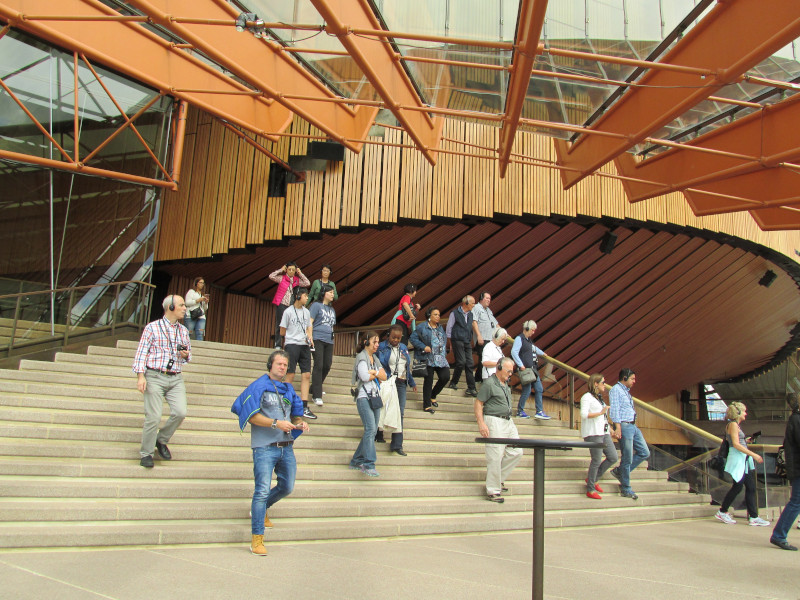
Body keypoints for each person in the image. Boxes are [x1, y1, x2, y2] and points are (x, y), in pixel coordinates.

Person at [230, 350, 310, 556]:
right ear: (270, 365)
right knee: (261, 490)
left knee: (287, 486)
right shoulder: (258, 386)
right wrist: (275, 423)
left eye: (285, 365)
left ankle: (261, 509)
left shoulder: (288, 389)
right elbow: (251, 416)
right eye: (279, 364)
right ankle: (257, 538)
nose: (283, 367)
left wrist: (300, 424)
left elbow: (296, 416)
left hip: (286, 447)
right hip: (264, 448)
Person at [132, 295, 191, 468]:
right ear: (170, 307)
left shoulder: (184, 331)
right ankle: (146, 453)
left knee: (180, 412)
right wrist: (140, 376)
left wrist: (186, 355)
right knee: (154, 416)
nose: (184, 308)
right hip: (155, 376)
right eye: (181, 305)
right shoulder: (152, 328)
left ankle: (161, 439)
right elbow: (141, 353)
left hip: (175, 377)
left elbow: (189, 355)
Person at [474, 357, 523, 503]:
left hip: (508, 421)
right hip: (494, 420)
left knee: (517, 451)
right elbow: (478, 403)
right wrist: (481, 423)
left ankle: (498, 478)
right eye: (508, 371)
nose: (510, 374)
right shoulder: (489, 383)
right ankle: (493, 490)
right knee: (495, 455)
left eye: (511, 372)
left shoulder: (505, 384)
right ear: (499, 368)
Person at [714, 401, 770, 526]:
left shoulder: (735, 425)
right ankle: (722, 511)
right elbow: (735, 444)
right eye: (744, 411)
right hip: (738, 459)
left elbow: (738, 441)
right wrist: (753, 454)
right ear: (738, 413)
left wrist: (746, 440)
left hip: (742, 459)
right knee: (738, 486)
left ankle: (753, 517)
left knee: (750, 487)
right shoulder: (733, 424)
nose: (746, 413)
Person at [349, 331, 387, 477]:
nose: (377, 345)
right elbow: (364, 376)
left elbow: (384, 376)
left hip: (375, 396)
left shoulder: (374, 358)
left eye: (378, 342)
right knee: (371, 428)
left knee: (371, 430)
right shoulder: (362, 357)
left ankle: (356, 460)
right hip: (364, 397)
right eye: (374, 342)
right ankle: (369, 463)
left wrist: (374, 373)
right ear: (366, 342)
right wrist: (375, 373)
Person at [376, 324, 417, 455]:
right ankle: (378, 433)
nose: (396, 340)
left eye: (399, 338)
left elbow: (406, 367)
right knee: (383, 407)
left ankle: (397, 444)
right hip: (388, 381)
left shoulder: (404, 348)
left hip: (401, 383)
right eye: (393, 337)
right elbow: (376, 362)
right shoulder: (382, 347)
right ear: (388, 336)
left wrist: (412, 382)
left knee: (400, 412)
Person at [609, 368, 649, 499]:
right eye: (632, 378)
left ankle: (620, 472)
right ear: (624, 378)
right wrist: (617, 427)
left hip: (633, 425)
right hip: (624, 425)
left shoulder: (626, 392)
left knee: (645, 452)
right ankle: (626, 487)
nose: (634, 381)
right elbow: (614, 410)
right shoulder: (616, 390)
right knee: (627, 458)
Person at [580, 374, 618, 500]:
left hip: (604, 432)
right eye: (602, 382)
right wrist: (600, 413)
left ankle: (594, 478)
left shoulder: (599, 398)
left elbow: (603, 417)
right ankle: (590, 488)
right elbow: (584, 414)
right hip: (593, 432)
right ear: (595, 383)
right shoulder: (587, 397)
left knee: (613, 457)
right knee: (596, 459)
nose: (604, 385)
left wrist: (611, 429)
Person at [280, 287, 316, 420]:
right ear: (297, 296)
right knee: (290, 373)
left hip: (304, 345)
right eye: (305, 295)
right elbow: (282, 331)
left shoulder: (307, 312)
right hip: (291, 344)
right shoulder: (288, 312)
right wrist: (293, 334)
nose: (307, 298)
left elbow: (309, 327)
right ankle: (286, 402)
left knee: (306, 374)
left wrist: (310, 337)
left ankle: (304, 405)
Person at [770, 393, 800, 550]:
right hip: (798, 468)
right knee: (796, 502)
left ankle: (779, 534)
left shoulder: (795, 419)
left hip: (796, 467)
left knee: (796, 501)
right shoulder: (797, 419)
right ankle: (779, 535)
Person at [410, 307, 450, 414]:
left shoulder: (440, 328)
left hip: (440, 358)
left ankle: (433, 395)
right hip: (428, 357)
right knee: (429, 380)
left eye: (438, 315)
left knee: (445, 376)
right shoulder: (422, 327)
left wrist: (444, 353)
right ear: (429, 316)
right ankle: (427, 405)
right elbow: (413, 338)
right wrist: (423, 347)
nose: (438, 317)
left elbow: (443, 340)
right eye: (435, 314)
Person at [510, 320, 550, 420]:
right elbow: (514, 352)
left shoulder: (528, 340)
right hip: (526, 370)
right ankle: (520, 410)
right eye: (532, 330)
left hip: (533, 369)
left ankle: (539, 411)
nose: (533, 332)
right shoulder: (520, 339)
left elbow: (534, 348)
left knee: (539, 389)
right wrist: (520, 365)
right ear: (527, 329)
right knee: (527, 391)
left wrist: (542, 353)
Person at [269, 262, 310, 349]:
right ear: (286, 270)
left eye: (293, 270)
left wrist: (300, 273)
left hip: (292, 306)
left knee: (291, 324)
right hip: (282, 303)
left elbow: (307, 283)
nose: (291, 271)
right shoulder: (282, 278)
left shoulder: (296, 280)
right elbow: (271, 276)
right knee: (279, 324)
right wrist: (281, 270)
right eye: (289, 269)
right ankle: (278, 344)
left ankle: (287, 342)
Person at [309, 284, 336, 408]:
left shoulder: (332, 309)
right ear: (324, 293)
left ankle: (314, 386)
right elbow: (310, 322)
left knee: (327, 365)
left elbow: (332, 325)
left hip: (329, 340)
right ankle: (316, 395)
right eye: (330, 292)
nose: (332, 294)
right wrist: (309, 337)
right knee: (318, 365)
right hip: (317, 338)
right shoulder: (315, 306)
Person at [446, 295, 478, 397]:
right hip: (457, 340)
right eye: (472, 303)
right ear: (466, 303)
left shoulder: (471, 315)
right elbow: (449, 328)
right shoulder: (454, 313)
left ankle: (471, 388)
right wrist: (450, 343)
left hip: (466, 341)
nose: (474, 305)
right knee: (461, 362)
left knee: (470, 363)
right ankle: (453, 382)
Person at [472, 291, 498, 383]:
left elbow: (495, 324)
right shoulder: (476, 308)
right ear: (481, 298)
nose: (488, 300)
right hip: (482, 338)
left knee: (487, 358)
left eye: (490, 299)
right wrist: (479, 336)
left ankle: (480, 378)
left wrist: (504, 333)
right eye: (487, 298)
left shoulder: (488, 310)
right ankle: (479, 378)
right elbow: (474, 322)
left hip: (490, 339)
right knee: (483, 359)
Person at [184, 276, 209, 341]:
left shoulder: (203, 294)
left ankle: (199, 350)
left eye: (203, 283)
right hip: (191, 314)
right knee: (189, 333)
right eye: (200, 283)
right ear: (196, 283)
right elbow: (187, 303)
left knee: (200, 333)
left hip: (201, 316)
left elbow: (205, 308)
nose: (202, 285)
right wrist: (197, 300)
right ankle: (186, 347)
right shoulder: (191, 292)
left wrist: (206, 302)